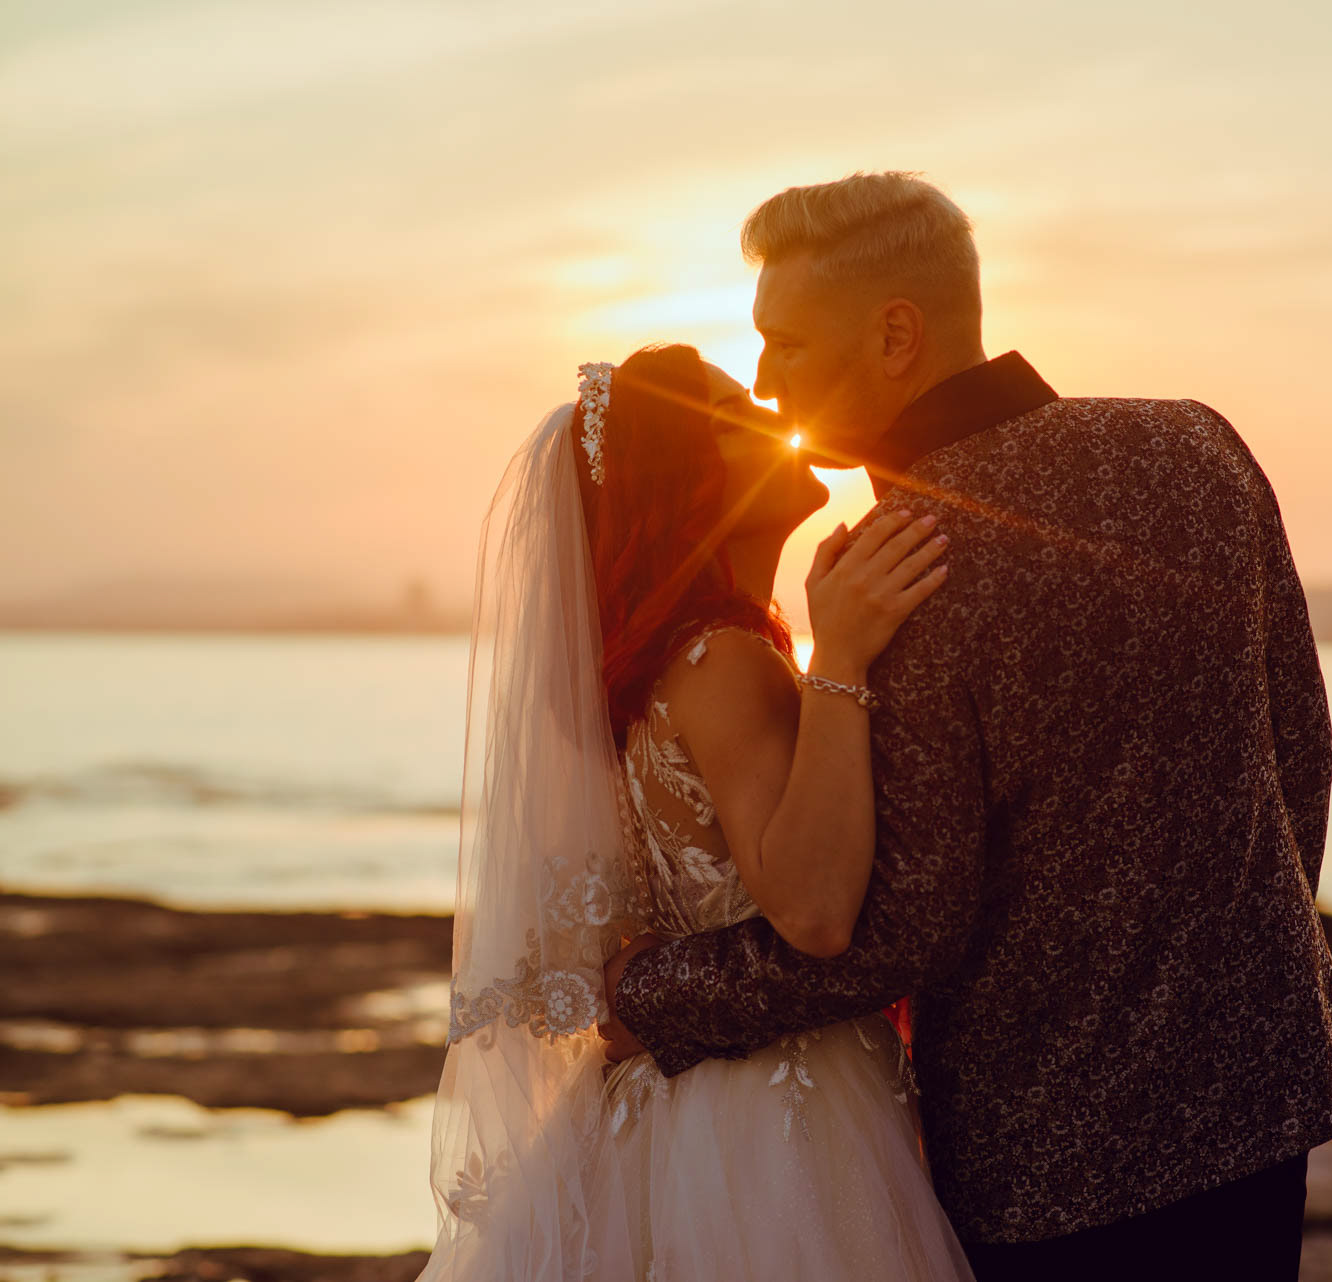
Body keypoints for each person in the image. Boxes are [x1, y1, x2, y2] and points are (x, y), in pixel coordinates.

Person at [600, 171, 1332, 1279]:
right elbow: (1300, 753)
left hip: (1050, 1168)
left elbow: (902, 926)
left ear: (896, 334)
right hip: (1265, 1104)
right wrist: (1234, 993)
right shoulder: (1202, 447)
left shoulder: (907, 563)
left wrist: (652, 994)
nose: (765, 382)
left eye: (787, 345)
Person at [417, 341, 975, 1280]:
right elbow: (815, 911)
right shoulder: (724, 662)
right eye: (731, 409)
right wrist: (838, 658)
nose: (768, 409)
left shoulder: (664, 672)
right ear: (692, 475)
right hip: (774, 1133)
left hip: (675, 1113)